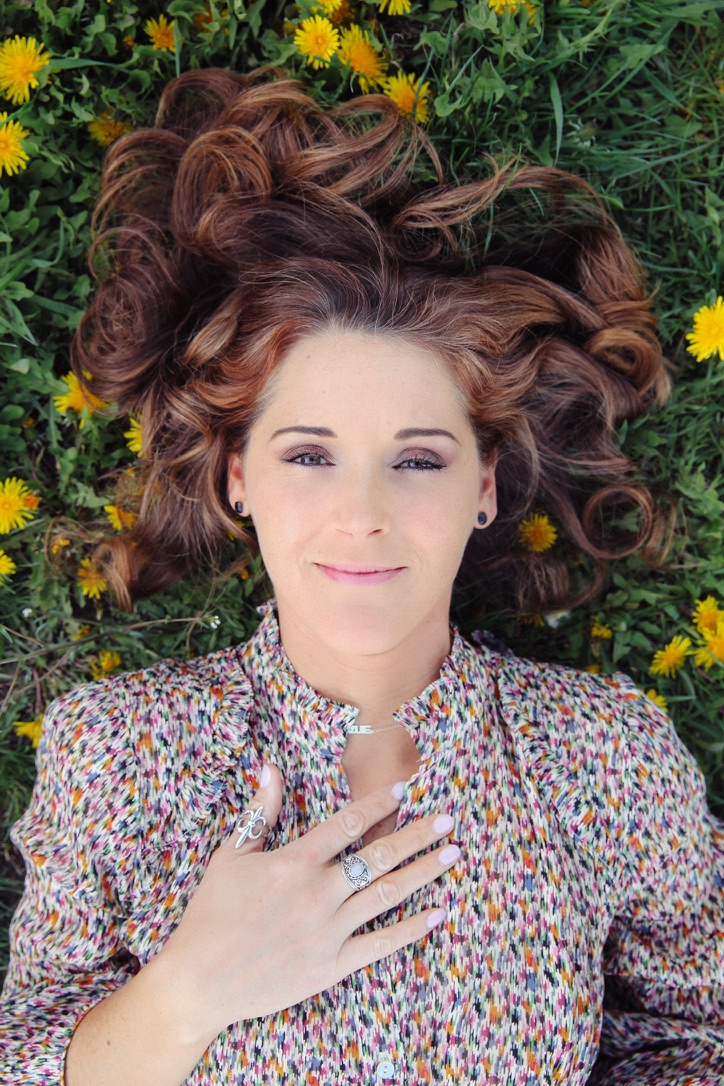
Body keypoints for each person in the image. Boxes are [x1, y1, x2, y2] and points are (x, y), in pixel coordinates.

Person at [1, 67, 722, 1086]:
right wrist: (191, 990)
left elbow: (691, 1037)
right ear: (238, 475)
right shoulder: (119, 753)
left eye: (418, 458)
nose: (363, 513)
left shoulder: (604, 758)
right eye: (308, 455)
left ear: (484, 485)